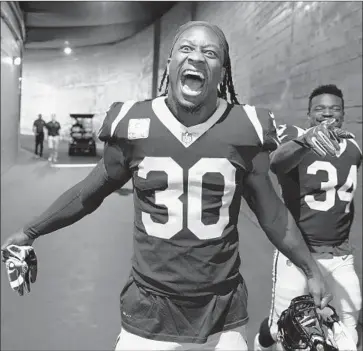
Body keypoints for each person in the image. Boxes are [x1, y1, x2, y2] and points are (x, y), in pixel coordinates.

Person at [2, 22, 333, 351]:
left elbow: (272, 213)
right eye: (186, 49)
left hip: (222, 315)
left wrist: (311, 269)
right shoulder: (131, 123)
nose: (197, 58)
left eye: (210, 53)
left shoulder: (246, 127)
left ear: (222, 71)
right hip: (148, 312)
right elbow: (89, 191)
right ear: (170, 63)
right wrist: (30, 231)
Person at [254, 84, 362, 351]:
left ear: (343, 114)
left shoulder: (354, 148)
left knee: (349, 324)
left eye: (334, 109)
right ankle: (263, 339)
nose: (328, 114)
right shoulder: (298, 139)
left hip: (340, 256)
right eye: (320, 109)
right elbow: (276, 162)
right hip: (298, 255)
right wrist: (305, 140)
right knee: (288, 330)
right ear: (309, 114)